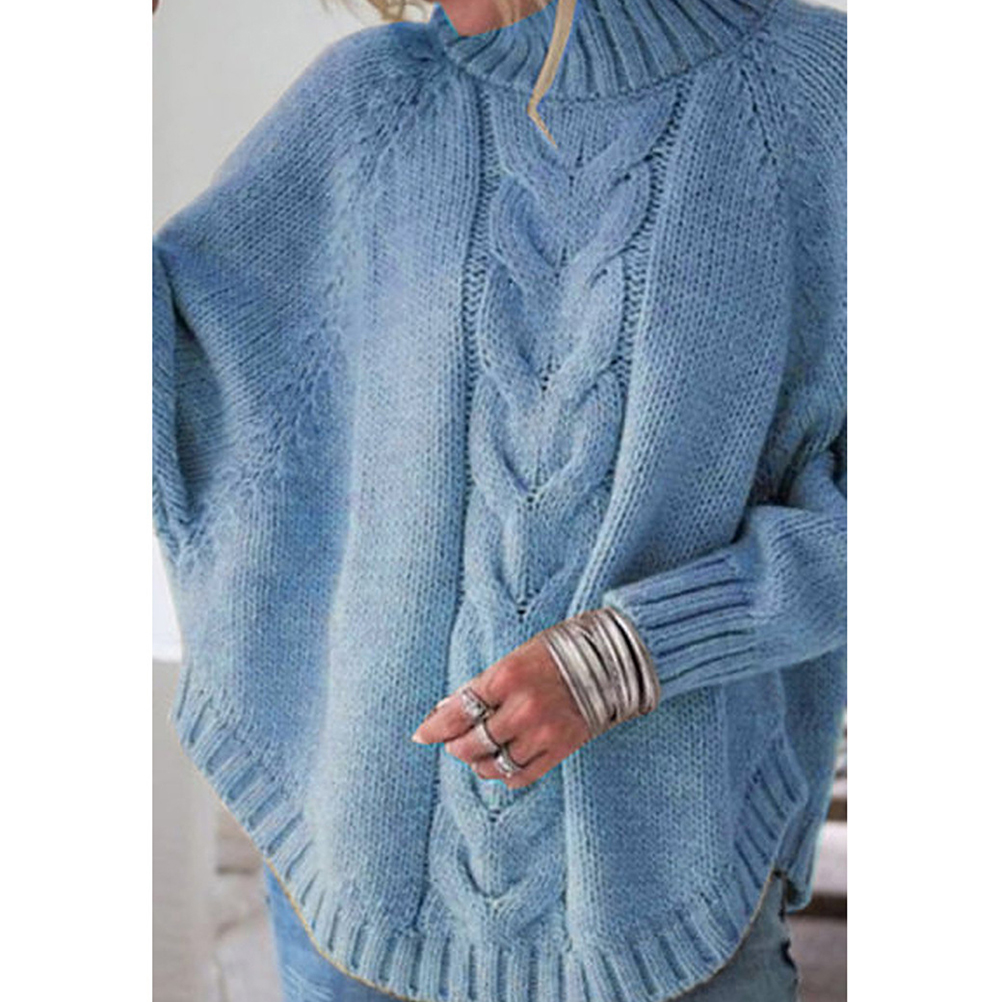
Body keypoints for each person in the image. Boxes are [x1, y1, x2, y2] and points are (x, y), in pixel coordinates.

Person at [152, 1, 846, 1000]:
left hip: (674, 901)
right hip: (356, 900)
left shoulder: (819, 95)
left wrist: (628, 655)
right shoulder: (373, 99)